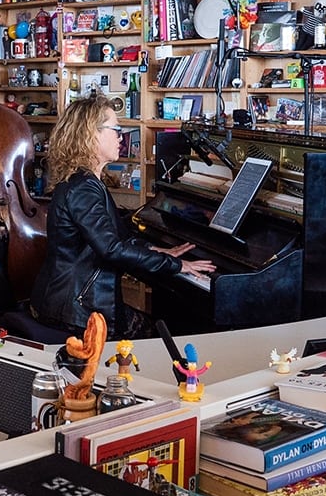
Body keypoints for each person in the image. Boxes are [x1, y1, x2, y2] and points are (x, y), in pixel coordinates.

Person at [28, 94, 214, 339]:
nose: (121, 136)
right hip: (75, 310)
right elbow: (111, 249)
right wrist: (178, 265)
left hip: (68, 301)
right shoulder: (84, 187)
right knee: (163, 336)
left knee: (165, 326)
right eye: (115, 129)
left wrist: (157, 251)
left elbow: (117, 236)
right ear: (91, 134)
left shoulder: (84, 181)